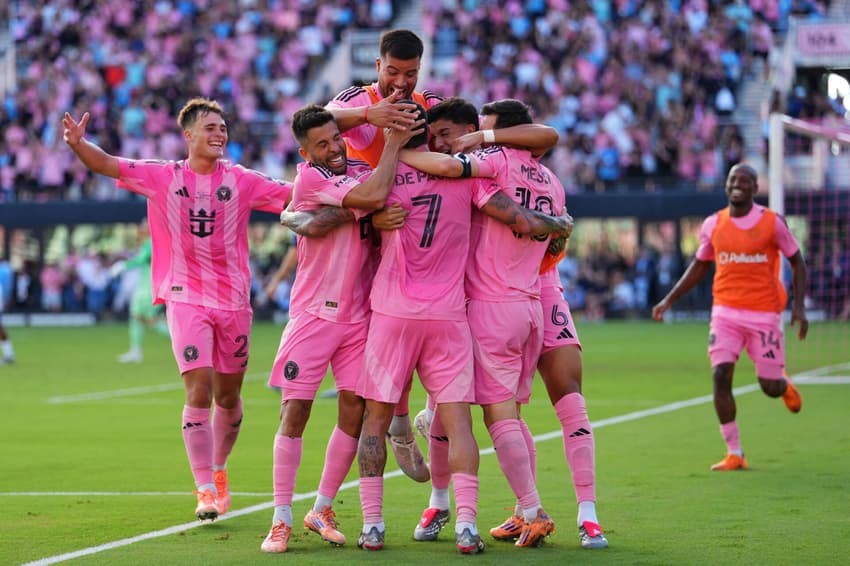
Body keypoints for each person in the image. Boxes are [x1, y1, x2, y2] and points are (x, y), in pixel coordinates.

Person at [354, 102, 573, 555]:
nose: (441, 139)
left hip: (409, 312)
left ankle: (375, 523)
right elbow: (522, 217)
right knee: (464, 419)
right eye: (434, 132)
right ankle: (466, 522)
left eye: (448, 132)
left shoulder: (390, 177)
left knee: (382, 417)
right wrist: (558, 225)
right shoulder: (475, 179)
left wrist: (390, 160)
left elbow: (353, 215)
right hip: (469, 311)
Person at [63, 98, 292, 521]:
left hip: (235, 302)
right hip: (185, 295)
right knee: (198, 389)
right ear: (188, 135)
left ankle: (220, 470)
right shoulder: (162, 176)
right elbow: (109, 163)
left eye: (223, 128)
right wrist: (79, 144)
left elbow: (293, 195)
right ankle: (204, 486)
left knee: (229, 397)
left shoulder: (242, 180)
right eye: (210, 128)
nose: (219, 134)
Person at [401, 98, 605, 549]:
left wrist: (399, 152)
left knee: (475, 410)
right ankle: (475, 506)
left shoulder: (485, 164)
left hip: (492, 302)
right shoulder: (550, 179)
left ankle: (531, 510)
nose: (451, 142)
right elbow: (548, 238)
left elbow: (471, 177)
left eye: (467, 132)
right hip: (528, 300)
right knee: (490, 409)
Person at [260, 105, 420, 554]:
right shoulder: (309, 178)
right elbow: (370, 201)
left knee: (353, 408)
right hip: (312, 314)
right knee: (295, 413)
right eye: (322, 144)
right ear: (305, 150)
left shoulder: (362, 168)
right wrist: (364, 209)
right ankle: (280, 518)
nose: (333, 149)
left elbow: (377, 197)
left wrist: (363, 205)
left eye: (336, 139)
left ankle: (322, 507)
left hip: (359, 315)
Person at [325, 29, 443, 480]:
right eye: (392, 71)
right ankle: (399, 426)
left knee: (431, 330)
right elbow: (321, 120)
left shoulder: (428, 104)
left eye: (410, 74)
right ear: (378, 66)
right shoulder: (359, 99)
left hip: (416, 238)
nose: (401, 82)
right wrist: (370, 113)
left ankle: (426, 414)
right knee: (386, 343)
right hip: (367, 237)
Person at [652, 163, 807, 471]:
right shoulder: (713, 224)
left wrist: (799, 307)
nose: (738, 184)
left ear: (754, 187)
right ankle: (734, 452)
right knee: (720, 375)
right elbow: (699, 266)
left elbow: (797, 261)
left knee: (769, 386)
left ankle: (783, 384)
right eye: (733, 179)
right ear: (726, 186)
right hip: (725, 313)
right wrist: (669, 300)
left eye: (745, 180)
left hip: (765, 314)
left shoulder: (772, 223)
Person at [115, 220, 169, 363]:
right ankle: (135, 350)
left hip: (149, 288)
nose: (141, 229)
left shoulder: (152, 242)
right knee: (139, 317)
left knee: (148, 320)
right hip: (151, 286)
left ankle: (188, 343)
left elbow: (140, 260)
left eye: (145, 225)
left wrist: (123, 265)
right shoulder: (160, 241)